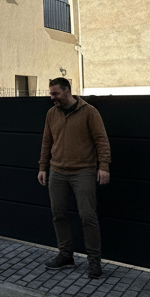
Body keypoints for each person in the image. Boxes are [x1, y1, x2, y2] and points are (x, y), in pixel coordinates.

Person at [37, 77, 111, 277]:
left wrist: (104, 166)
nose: (52, 98)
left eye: (55, 94)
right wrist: (43, 167)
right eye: (51, 93)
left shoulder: (89, 112)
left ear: (67, 91)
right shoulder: (51, 113)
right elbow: (46, 142)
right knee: (58, 214)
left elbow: (101, 141)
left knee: (88, 216)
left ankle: (94, 261)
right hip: (57, 171)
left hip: (84, 171)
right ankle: (65, 255)